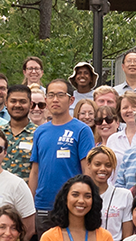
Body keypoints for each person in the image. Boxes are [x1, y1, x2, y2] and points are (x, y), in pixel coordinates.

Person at [30, 79, 99, 222]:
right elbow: (35, 171)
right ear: (46, 99)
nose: (55, 100)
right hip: (43, 205)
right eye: (51, 95)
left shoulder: (82, 130)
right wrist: (30, 204)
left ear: (71, 100)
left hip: (71, 206)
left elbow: (87, 170)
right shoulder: (40, 131)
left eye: (60, 95)